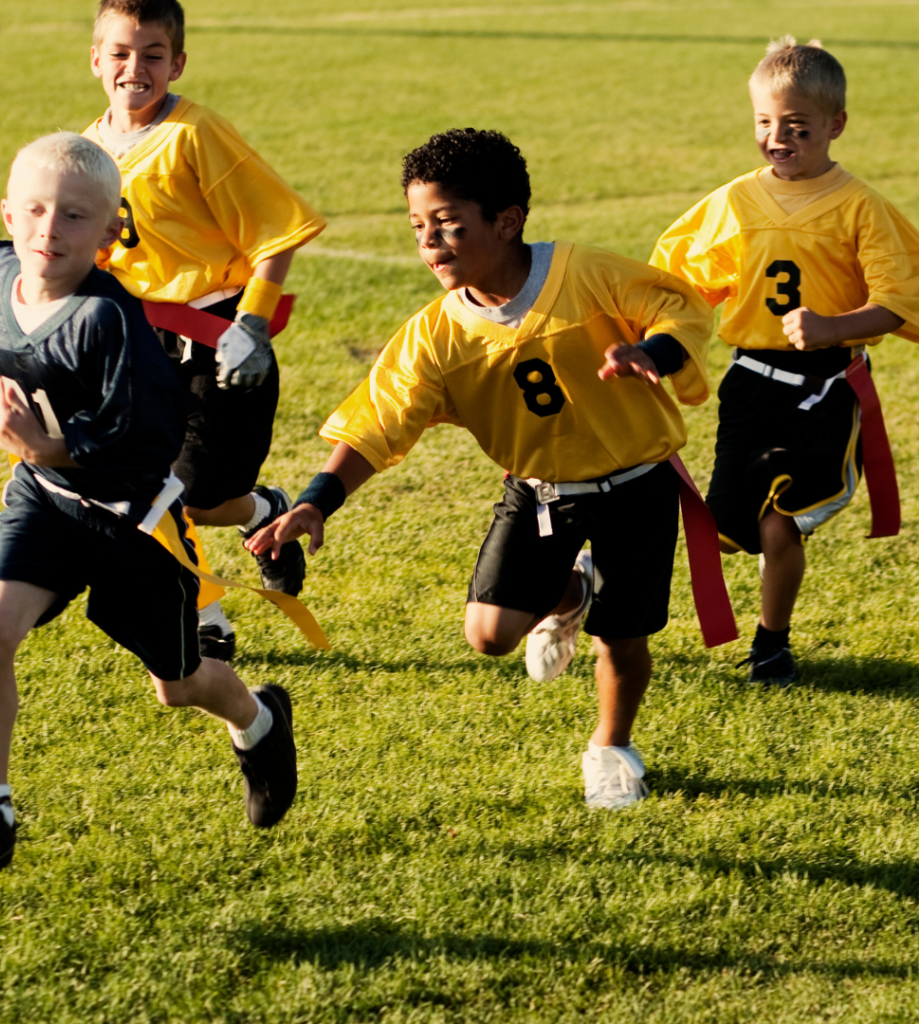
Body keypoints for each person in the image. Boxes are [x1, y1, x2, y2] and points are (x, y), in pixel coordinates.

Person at [248, 128, 713, 810]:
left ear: (507, 220)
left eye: (448, 226)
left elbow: (679, 305)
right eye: (418, 228)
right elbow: (379, 419)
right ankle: (566, 595)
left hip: (636, 484)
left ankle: (612, 747)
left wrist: (657, 353)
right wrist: (318, 500)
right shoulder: (435, 335)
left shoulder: (585, 275)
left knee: (623, 635)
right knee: (489, 635)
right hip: (540, 490)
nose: (430, 245)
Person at [0, 133, 297, 882]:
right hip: (48, 501)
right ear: (6, 213)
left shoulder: (112, 319)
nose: (47, 230)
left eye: (73, 216)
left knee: (179, 686)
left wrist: (48, 447)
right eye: (32, 211)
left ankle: (260, 722)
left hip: (136, 520)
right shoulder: (0, 271)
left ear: (111, 231)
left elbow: (148, 443)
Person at [651, 37, 919, 685]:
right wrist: (645, 342)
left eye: (797, 127)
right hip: (749, 386)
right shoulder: (735, 202)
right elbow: (676, 286)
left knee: (781, 521)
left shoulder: (862, 208)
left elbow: (898, 300)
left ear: (836, 126)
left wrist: (836, 325)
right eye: (765, 123)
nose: (778, 138)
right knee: (722, 526)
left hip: (828, 388)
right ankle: (599, 574)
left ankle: (773, 643)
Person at [83, 0, 327, 662]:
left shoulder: (195, 134)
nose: (136, 68)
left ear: (177, 62)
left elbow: (279, 228)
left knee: (194, 496)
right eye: (122, 53)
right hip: (140, 341)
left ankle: (262, 510)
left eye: (153, 55)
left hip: (219, 338)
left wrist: (252, 320)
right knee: (142, 492)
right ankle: (207, 620)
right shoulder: (89, 146)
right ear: (96, 60)